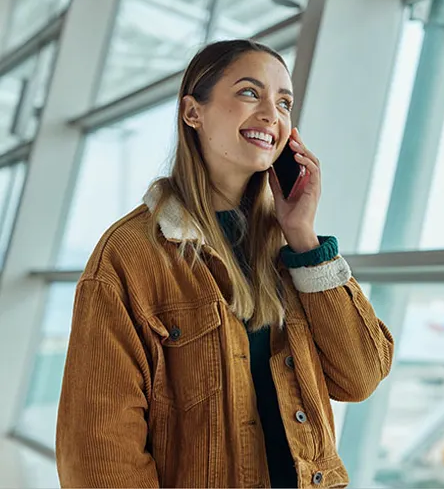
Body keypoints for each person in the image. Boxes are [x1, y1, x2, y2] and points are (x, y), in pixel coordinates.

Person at [55, 39, 394, 488]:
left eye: (284, 102)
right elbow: (99, 456)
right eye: (250, 93)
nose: (272, 114)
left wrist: (305, 238)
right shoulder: (130, 256)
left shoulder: (287, 247)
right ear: (193, 113)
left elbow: (361, 375)